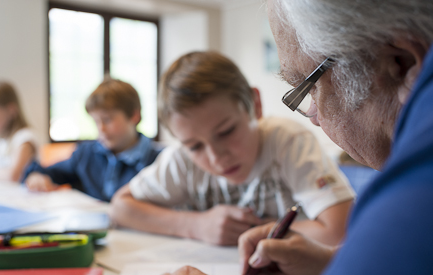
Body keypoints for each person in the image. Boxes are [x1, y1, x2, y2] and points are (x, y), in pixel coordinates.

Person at [129, 1, 433, 275]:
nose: (312, 116)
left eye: (309, 87)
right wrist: (331, 264)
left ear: (400, 62)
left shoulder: (420, 189)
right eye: (194, 146)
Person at [110, 51, 354, 246]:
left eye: (226, 132)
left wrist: (252, 230)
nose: (216, 158)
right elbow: (121, 206)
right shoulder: (181, 160)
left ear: (255, 104)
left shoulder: (287, 142)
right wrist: (195, 226)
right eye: (195, 146)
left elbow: (339, 231)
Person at [22, 78, 162, 202]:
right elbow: (49, 171)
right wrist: (36, 176)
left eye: (107, 120)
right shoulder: (87, 154)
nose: (101, 129)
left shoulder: (158, 161)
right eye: (96, 121)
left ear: (134, 116)